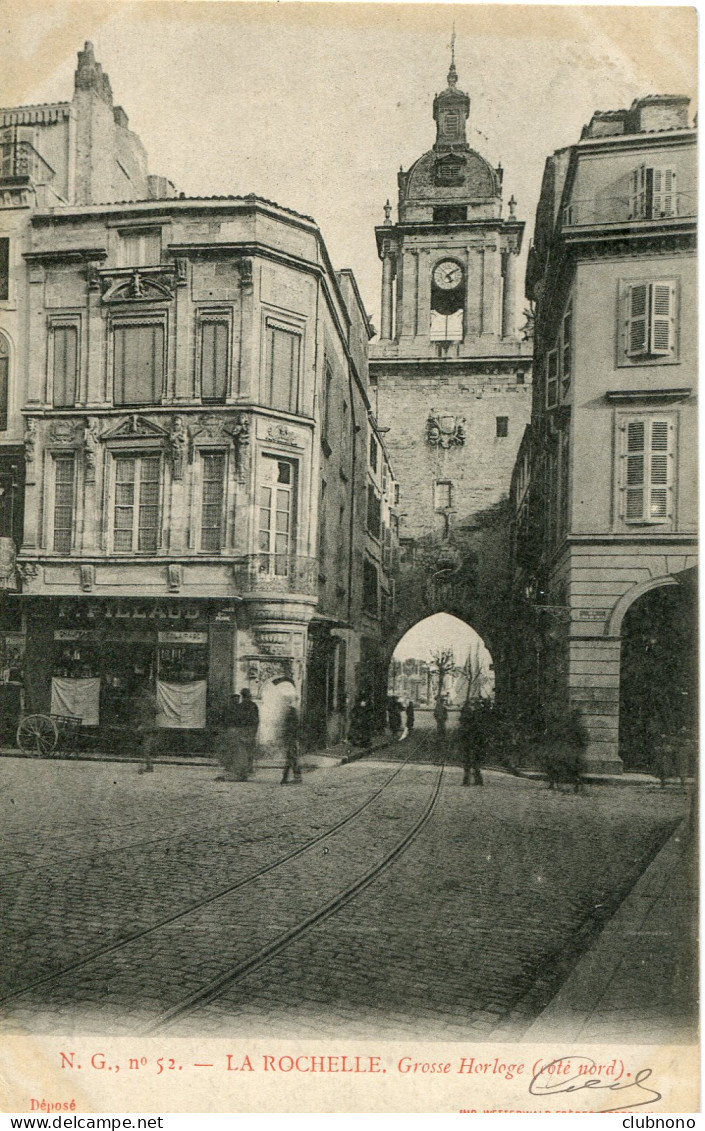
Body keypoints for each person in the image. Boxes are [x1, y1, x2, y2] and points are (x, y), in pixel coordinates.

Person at [134, 681, 158, 774]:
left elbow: (158, 710)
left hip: (147, 726)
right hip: (145, 725)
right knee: (144, 747)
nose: (143, 691)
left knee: (145, 747)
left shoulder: (150, 699)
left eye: (144, 689)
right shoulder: (147, 699)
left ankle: (148, 766)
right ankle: (147, 765)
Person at [458, 701, 483, 786]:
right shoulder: (476, 718)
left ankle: (468, 781)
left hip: (471, 743)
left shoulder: (469, 723)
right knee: (474, 762)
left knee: (468, 761)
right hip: (475, 743)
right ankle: (477, 780)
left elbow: (465, 732)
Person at [281, 694, 302, 784]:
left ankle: (289, 777)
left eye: (286, 701)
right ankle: (287, 777)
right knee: (291, 758)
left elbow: (294, 725)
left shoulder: (291, 711)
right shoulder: (287, 711)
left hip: (291, 737)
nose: (284, 703)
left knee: (291, 757)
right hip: (289, 737)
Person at [238, 687, 260, 773]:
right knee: (249, 750)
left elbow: (238, 720)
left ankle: (243, 768)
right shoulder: (253, 705)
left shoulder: (240, 706)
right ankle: (249, 767)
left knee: (242, 751)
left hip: (243, 731)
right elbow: (256, 720)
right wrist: (255, 731)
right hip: (250, 731)